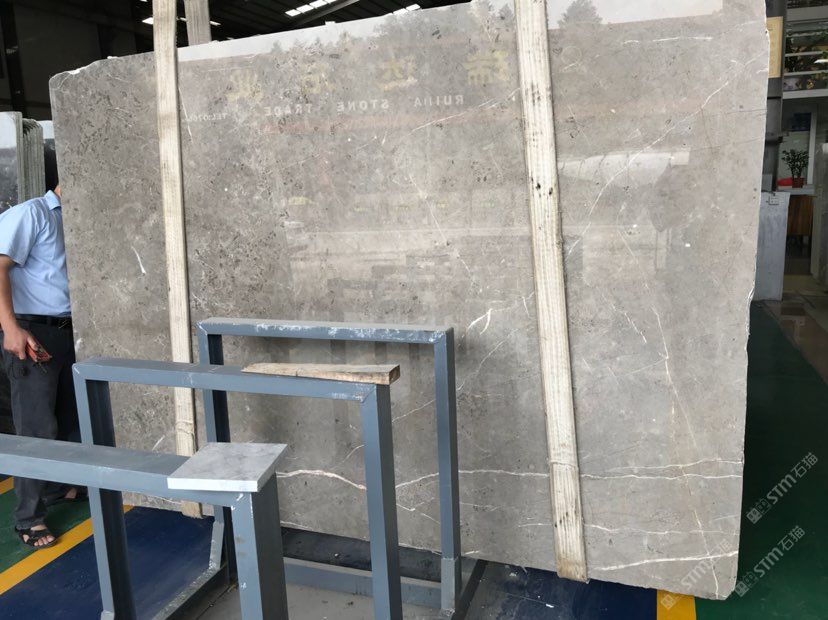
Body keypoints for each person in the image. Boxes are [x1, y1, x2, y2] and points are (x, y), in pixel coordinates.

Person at [0, 184, 85, 549]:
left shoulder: (74, 219)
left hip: (68, 332)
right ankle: (28, 518)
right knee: (35, 427)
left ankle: (56, 488)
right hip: (33, 331)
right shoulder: (33, 213)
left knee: (69, 418)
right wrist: (11, 328)